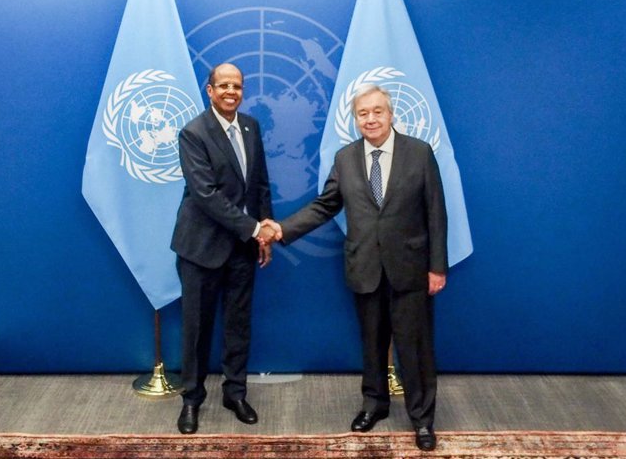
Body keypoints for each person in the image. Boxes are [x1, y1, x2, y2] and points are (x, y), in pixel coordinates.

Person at [262, 84, 447, 451]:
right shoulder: (345, 158)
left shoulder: (420, 153)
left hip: (410, 268)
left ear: (391, 114)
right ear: (355, 119)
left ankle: (422, 420)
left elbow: (436, 214)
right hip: (365, 268)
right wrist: (282, 228)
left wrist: (437, 267)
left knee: (416, 348)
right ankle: (374, 405)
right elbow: (324, 206)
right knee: (372, 344)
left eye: (378, 111)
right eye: (363, 113)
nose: (371, 118)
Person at [171, 63, 276, 434]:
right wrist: (253, 229)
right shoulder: (193, 133)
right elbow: (206, 195)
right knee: (197, 328)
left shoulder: (251, 127)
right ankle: (191, 401)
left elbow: (260, 183)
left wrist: (263, 230)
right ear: (210, 90)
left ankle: (235, 393)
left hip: (243, 249)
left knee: (238, 324)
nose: (231, 91)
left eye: (237, 86)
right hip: (201, 248)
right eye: (224, 85)